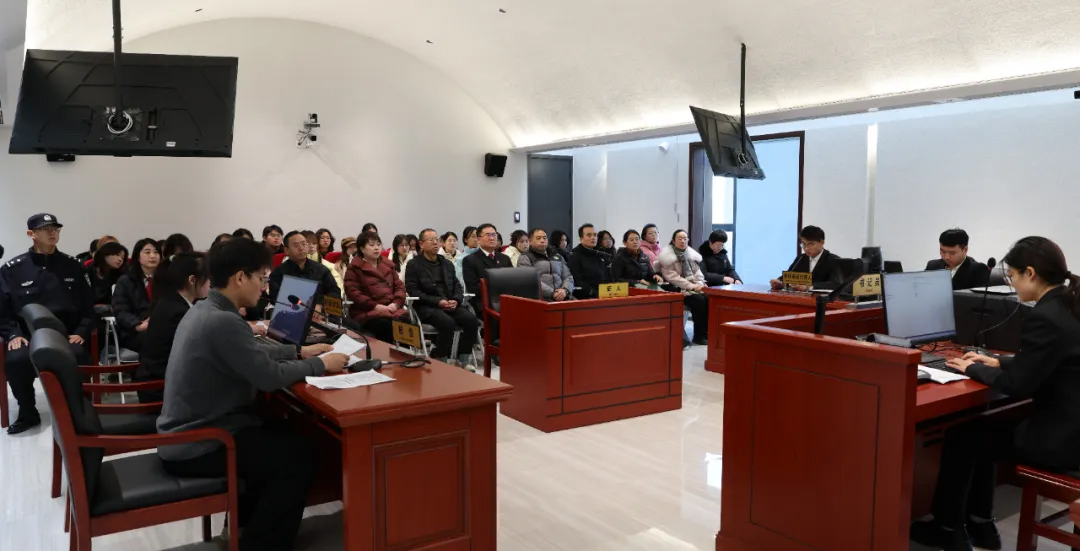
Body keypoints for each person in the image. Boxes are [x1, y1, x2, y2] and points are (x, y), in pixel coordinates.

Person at [157, 238, 349, 551]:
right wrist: (321, 364)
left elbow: (248, 352)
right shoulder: (222, 321)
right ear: (240, 278)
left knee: (284, 429)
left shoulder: (206, 309)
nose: (264, 286)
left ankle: (243, 526)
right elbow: (269, 377)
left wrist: (297, 352)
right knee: (299, 454)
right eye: (261, 278)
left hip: (192, 431)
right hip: (199, 442)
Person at [912, 236, 1080, 551]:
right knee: (984, 427)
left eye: (1012, 277)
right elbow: (1049, 358)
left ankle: (947, 528)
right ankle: (981, 524)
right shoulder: (1068, 304)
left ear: (1030, 273)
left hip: (1061, 442)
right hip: (1072, 429)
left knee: (964, 435)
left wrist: (971, 368)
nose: (1012, 285)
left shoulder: (1045, 316)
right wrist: (997, 361)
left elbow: (1018, 384)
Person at [0, 213, 93, 434]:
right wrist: (13, 334)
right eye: (45, 229)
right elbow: (3, 310)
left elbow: (89, 307)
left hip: (66, 334)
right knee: (17, 359)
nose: (52, 232)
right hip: (28, 336)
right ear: (31, 234)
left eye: (55, 228)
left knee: (79, 355)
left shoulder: (74, 266)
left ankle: (78, 412)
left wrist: (81, 331)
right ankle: (27, 412)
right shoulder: (13, 269)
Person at [134, 252, 210, 403]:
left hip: (159, 382)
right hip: (162, 389)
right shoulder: (177, 311)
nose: (210, 283)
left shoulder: (171, 302)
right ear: (192, 280)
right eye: (208, 278)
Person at [404, 229, 480, 368]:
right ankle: (441, 357)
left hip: (449, 303)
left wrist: (456, 300)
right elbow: (413, 290)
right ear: (421, 244)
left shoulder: (446, 263)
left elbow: (457, 286)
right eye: (431, 239)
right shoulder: (413, 265)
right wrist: (438, 302)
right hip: (428, 306)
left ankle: (463, 357)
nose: (435, 242)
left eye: (437, 239)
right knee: (448, 323)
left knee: (471, 320)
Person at [343, 232, 409, 344]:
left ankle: (406, 354)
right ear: (362, 248)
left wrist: (396, 303)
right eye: (372, 245)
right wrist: (375, 306)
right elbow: (353, 292)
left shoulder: (388, 265)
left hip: (392, 308)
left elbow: (399, 287)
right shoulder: (354, 268)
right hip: (367, 311)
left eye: (378, 244)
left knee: (406, 321)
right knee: (386, 325)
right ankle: (389, 354)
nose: (376, 248)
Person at [658, 230, 710, 345]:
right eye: (680, 238)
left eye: (685, 238)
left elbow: (698, 272)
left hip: (692, 287)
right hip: (676, 289)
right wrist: (692, 286)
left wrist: (699, 284)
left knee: (708, 298)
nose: (683, 241)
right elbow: (673, 278)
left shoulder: (690, 255)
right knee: (699, 300)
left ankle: (705, 333)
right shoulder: (667, 257)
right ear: (673, 241)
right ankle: (698, 336)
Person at [112, 238, 161, 352]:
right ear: (138, 257)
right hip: (133, 331)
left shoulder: (165, 280)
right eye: (147, 252)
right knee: (155, 341)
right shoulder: (125, 281)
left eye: (156, 252)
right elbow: (120, 310)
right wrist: (137, 325)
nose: (152, 256)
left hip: (160, 327)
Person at [268, 231, 341, 308]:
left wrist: (321, 304)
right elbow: (275, 299)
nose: (301, 248)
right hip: (291, 312)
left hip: (320, 312)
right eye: (296, 245)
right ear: (286, 250)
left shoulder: (321, 270)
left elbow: (335, 293)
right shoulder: (278, 273)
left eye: (304, 244)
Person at [769, 225, 843, 291]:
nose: (806, 248)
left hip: (822, 299)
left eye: (810, 244)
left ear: (822, 242)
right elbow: (790, 275)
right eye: (804, 244)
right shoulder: (801, 258)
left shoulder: (834, 260)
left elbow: (836, 283)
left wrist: (810, 286)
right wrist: (780, 282)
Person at [462, 223, 512, 312]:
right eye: (488, 235)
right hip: (484, 301)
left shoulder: (505, 258)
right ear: (478, 239)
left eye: (494, 235)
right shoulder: (470, 260)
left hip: (506, 299)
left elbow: (512, 280)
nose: (492, 238)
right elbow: (473, 287)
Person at [925, 228, 992, 290]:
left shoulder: (978, 270)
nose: (946, 257)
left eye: (952, 253)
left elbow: (977, 297)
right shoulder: (932, 266)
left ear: (965, 250)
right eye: (943, 252)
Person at [518, 228, 574, 302]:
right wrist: (553, 293)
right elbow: (530, 280)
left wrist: (565, 290)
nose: (542, 240)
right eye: (538, 238)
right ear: (530, 241)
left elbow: (568, 276)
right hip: (540, 300)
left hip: (563, 297)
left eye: (544, 238)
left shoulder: (558, 256)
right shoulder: (525, 258)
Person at [568, 223, 613, 299]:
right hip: (587, 297)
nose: (593, 238)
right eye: (589, 235)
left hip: (605, 294)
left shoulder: (600, 254)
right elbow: (576, 280)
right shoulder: (575, 255)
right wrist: (593, 292)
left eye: (595, 235)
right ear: (581, 239)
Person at [87, 241, 127, 305]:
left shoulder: (120, 276)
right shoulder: (87, 272)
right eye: (117, 255)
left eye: (123, 258)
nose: (120, 260)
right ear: (105, 253)